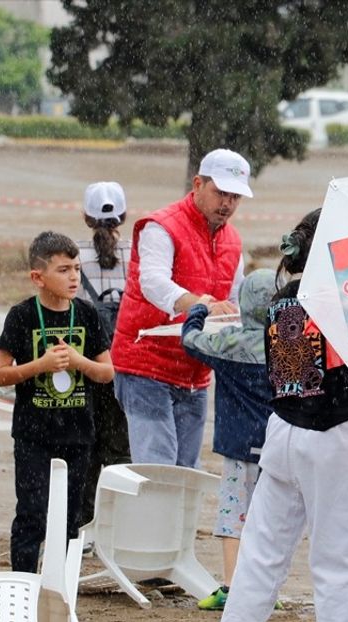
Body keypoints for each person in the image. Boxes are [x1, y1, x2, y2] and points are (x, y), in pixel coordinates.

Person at [198, 210, 348, 622]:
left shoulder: (282, 299)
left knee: (260, 555)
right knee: (340, 558)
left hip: (282, 430)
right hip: (332, 433)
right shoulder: (344, 301)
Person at [110, 148, 251, 468]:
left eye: (235, 197)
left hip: (194, 372)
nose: (227, 204)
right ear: (198, 184)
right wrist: (199, 305)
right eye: (221, 193)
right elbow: (153, 282)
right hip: (145, 365)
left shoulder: (233, 241)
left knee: (186, 470)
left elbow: (234, 296)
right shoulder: (161, 227)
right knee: (157, 469)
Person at [0, 232, 115, 572]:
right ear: (38, 277)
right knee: (32, 513)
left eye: (76, 268)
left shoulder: (87, 314)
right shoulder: (22, 316)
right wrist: (40, 366)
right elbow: (0, 374)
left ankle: (59, 586)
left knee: (69, 517)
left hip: (78, 435)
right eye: (63, 270)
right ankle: (23, 583)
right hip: (33, 435)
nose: (74, 277)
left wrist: (78, 362)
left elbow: (107, 372)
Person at [180, 268, 276, 611]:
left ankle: (233, 585)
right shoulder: (285, 343)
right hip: (277, 444)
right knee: (270, 518)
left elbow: (190, 340)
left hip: (238, 445)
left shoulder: (229, 343)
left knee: (234, 515)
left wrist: (199, 310)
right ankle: (264, 587)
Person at [75, 181, 132, 528]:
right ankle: (119, 525)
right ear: (123, 216)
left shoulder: (71, 257)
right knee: (121, 447)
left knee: (86, 445)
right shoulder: (138, 255)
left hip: (85, 367)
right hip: (126, 366)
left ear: (86, 217)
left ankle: (82, 525)